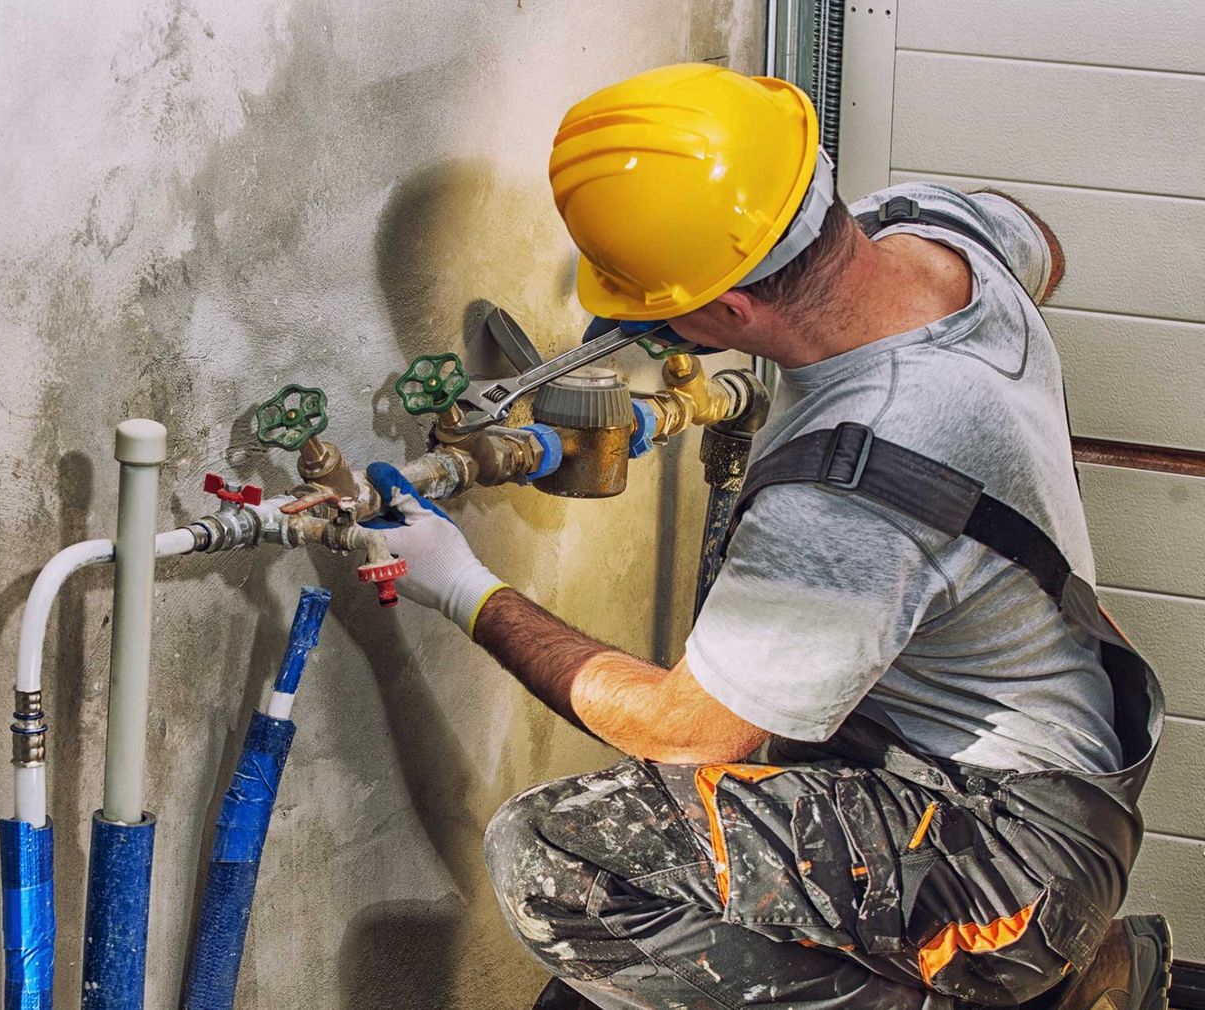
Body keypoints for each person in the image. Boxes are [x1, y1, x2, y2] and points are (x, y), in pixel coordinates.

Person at [365, 63, 1169, 1010]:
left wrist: (462, 586)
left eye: (654, 301)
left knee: (554, 859)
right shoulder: (933, 228)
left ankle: (1042, 992)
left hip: (1003, 859)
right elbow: (1041, 241)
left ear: (732, 310)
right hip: (1006, 757)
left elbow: (687, 734)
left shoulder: (849, 489)